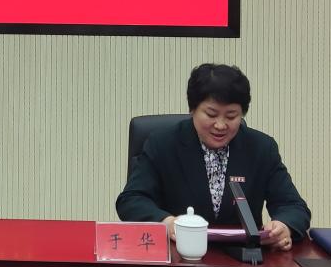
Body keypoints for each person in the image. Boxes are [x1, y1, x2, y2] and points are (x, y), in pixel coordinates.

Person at [116, 63, 309, 250]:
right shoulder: (163, 144)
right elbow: (132, 200)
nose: (220, 125)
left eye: (231, 116)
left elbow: (293, 206)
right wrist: (167, 222)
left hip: (243, 259)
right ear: (193, 109)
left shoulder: (261, 148)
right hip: (178, 255)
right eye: (211, 114)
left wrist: (283, 226)